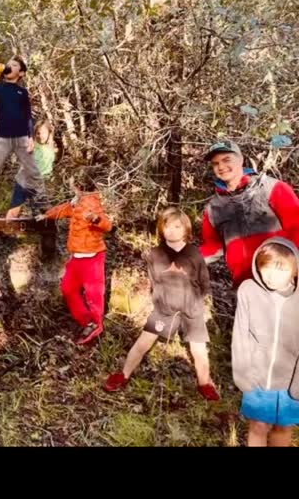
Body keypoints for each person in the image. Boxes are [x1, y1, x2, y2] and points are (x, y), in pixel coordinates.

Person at [105, 207, 220, 401]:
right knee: (143, 342)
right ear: (161, 228)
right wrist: (161, 304)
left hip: (191, 310)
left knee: (199, 349)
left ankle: (205, 383)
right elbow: (154, 282)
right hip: (164, 311)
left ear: (186, 230)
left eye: (178, 227)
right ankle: (123, 374)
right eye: (168, 226)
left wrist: (197, 306)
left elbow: (204, 282)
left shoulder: (194, 254)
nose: (173, 231)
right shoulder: (155, 254)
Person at [200, 140, 299, 286]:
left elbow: (296, 226)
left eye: (227, 160)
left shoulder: (271, 188)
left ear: (241, 160)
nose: (221, 166)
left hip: (282, 280)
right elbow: (212, 247)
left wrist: (289, 265)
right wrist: (184, 260)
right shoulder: (213, 208)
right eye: (215, 163)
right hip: (244, 283)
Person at [232, 239, 299, 447]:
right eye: (266, 266)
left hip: (292, 382)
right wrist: (243, 376)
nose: (271, 275)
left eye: (281, 269)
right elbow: (240, 335)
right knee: (258, 426)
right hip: (257, 378)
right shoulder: (248, 290)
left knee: (283, 427)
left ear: (295, 270)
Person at [43, 174, 113, 345]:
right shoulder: (77, 202)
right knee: (68, 288)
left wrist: (96, 219)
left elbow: (107, 225)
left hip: (92, 258)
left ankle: (96, 325)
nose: (71, 187)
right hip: (77, 257)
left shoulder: (92, 202)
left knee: (94, 294)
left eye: (73, 184)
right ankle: (86, 320)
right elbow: (65, 209)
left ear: (80, 187)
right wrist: (47, 215)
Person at [0, 57, 47, 211]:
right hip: (3, 140)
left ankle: (42, 202)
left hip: (22, 139)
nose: (9, 66)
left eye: (14, 65)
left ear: (20, 72)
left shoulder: (22, 92)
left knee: (33, 171)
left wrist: (31, 137)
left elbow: (28, 116)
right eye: (8, 64)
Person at [9, 120, 63, 220]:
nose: (40, 135)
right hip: (25, 181)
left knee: (43, 212)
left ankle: (44, 233)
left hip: (41, 183)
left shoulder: (53, 147)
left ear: (49, 133)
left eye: (43, 132)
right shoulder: (32, 145)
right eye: (38, 133)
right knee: (15, 210)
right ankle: (5, 230)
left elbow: (54, 163)